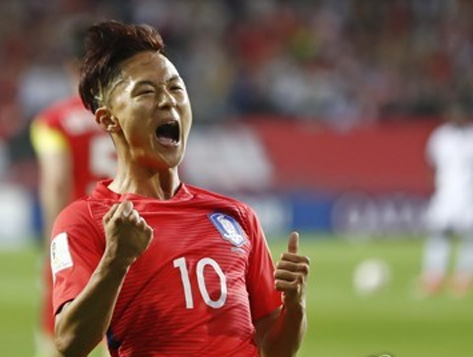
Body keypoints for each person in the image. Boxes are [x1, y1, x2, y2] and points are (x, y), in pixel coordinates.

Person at [49, 20, 310, 357]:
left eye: (175, 88)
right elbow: (70, 343)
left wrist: (296, 307)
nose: (167, 101)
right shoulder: (87, 220)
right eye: (146, 91)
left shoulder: (237, 216)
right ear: (108, 119)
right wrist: (116, 260)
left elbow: (275, 349)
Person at [30, 17, 115, 357]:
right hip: (129, 232)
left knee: (61, 341)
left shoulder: (54, 121)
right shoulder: (125, 113)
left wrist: (53, 243)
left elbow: (57, 183)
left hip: (79, 236)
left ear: (70, 65)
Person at [421, 101, 473, 297]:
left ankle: (463, 278)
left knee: (469, 237)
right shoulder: (440, 137)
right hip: (445, 195)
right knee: (437, 234)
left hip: (469, 197)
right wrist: (432, 190)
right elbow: (431, 165)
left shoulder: (471, 137)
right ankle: (434, 277)